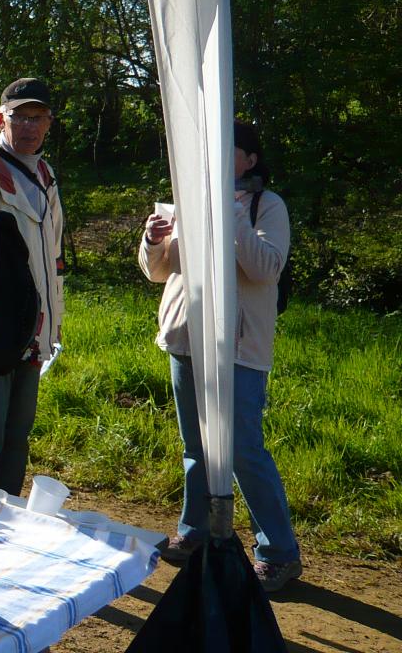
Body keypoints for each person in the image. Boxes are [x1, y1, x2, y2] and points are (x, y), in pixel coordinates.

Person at [140, 120, 302, 592]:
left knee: (243, 451)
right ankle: (194, 534)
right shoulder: (189, 199)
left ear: (249, 159)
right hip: (186, 339)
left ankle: (279, 553)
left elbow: (267, 268)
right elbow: (157, 272)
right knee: (195, 448)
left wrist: (231, 216)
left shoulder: (266, 206)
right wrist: (154, 239)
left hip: (240, 348)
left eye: (225, 149)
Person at [0, 77, 65, 494]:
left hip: (35, 329)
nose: (28, 127)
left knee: (18, 433)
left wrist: (53, 322)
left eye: (37, 118)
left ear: (49, 123)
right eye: (18, 117)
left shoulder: (45, 173)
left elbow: (52, 256)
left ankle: (8, 524)